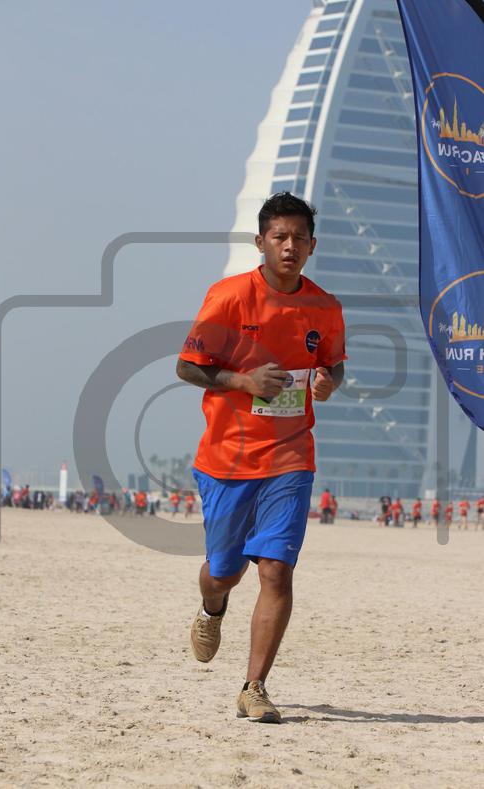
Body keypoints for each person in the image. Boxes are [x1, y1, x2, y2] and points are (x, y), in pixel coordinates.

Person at [176, 192, 346, 724]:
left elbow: (334, 364)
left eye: (299, 237)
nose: (290, 246)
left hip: (291, 455)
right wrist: (244, 381)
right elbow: (188, 366)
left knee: (276, 571)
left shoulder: (325, 307)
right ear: (260, 242)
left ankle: (254, 687)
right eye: (280, 237)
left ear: (312, 246)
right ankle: (212, 608)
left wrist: (329, 382)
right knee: (223, 573)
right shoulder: (229, 297)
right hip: (227, 457)